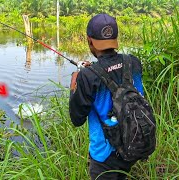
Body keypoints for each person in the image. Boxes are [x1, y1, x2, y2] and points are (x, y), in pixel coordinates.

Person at [69, 13, 144, 180]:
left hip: (104, 156)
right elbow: (116, 72)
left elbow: (76, 119)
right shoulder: (133, 62)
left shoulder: (87, 77)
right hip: (131, 143)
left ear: (89, 40)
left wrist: (75, 81)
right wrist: (93, 69)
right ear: (115, 38)